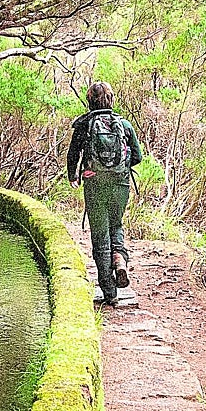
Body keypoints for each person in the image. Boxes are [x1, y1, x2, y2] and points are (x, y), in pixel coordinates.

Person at [67, 81, 143, 306]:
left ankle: (109, 292)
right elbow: (137, 157)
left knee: (100, 235)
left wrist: (74, 176)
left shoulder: (84, 125)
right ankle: (119, 261)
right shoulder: (124, 125)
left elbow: (73, 154)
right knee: (116, 226)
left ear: (89, 100)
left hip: (94, 184)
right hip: (120, 185)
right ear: (111, 100)